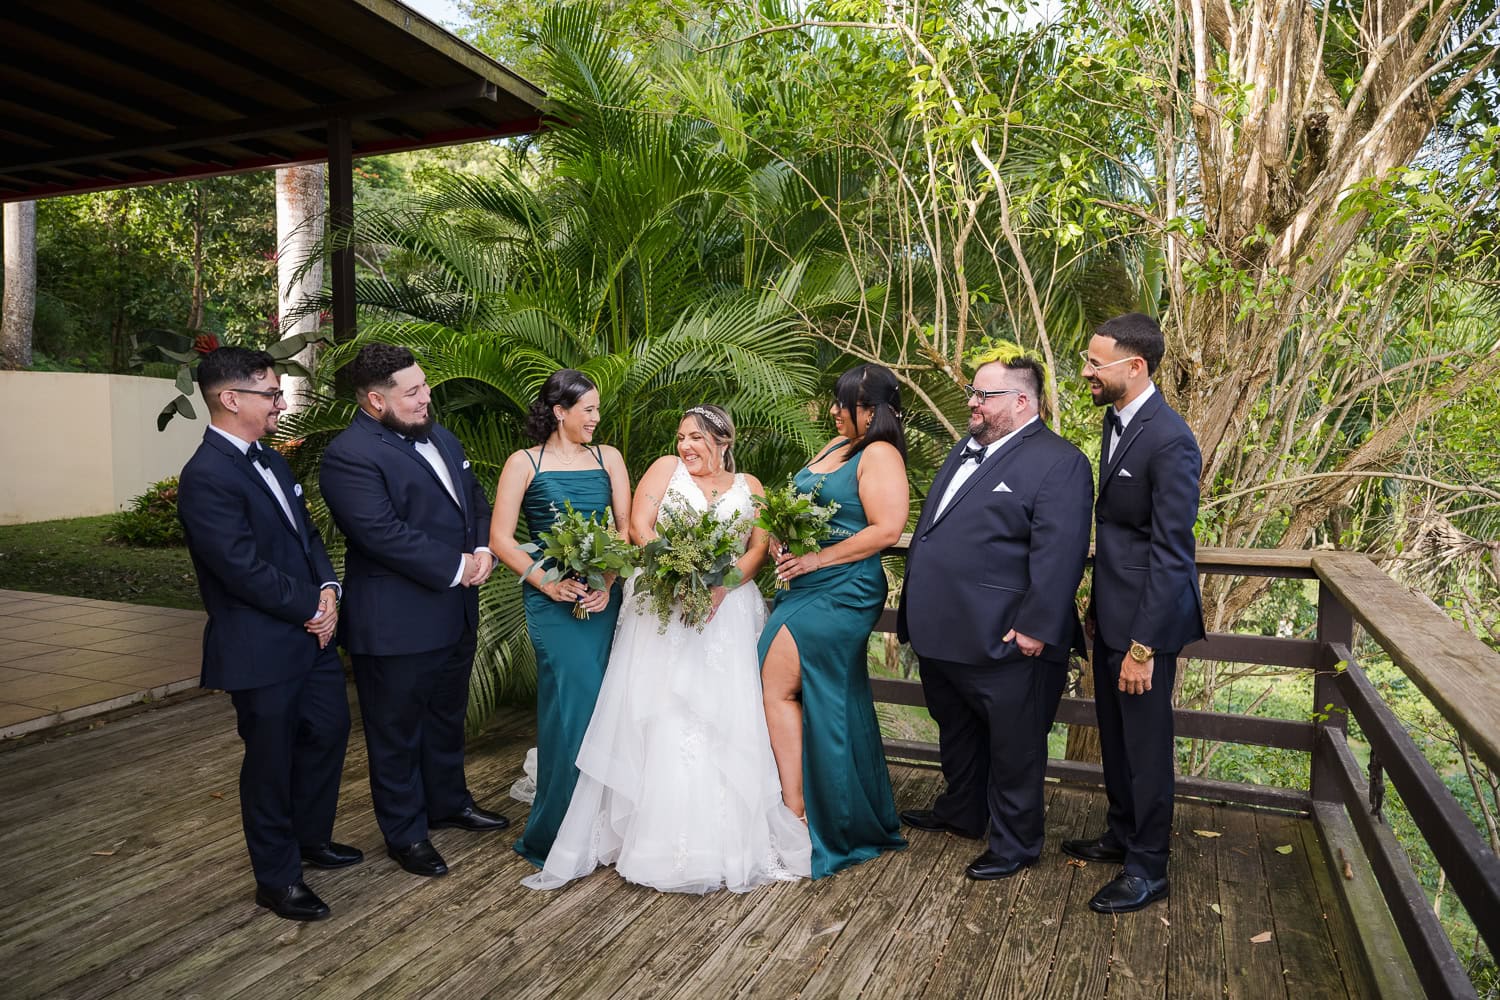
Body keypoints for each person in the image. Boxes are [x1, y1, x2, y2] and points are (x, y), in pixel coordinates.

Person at [524, 405, 811, 892]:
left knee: (724, 715)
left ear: (723, 440)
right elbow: (641, 527)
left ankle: (726, 837)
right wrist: (679, 576)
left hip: (729, 615)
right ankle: (647, 832)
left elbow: (757, 549)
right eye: (681, 437)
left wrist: (720, 587)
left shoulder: (753, 486)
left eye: (697, 438)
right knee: (661, 713)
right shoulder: (664, 470)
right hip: (663, 606)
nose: (686, 447)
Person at [896, 345, 1092, 880]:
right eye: (973, 393)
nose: (973, 403)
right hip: (946, 632)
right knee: (955, 730)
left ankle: (1016, 843)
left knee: (1014, 746)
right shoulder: (966, 447)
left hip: (1008, 638)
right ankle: (963, 811)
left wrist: (1035, 626)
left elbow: (1061, 553)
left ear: (1024, 402)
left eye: (985, 395)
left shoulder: (1061, 461)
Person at [177, 347, 356, 922]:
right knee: (270, 761)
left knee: (329, 732)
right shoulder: (205, 476)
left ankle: (311, 839)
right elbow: (239, 568)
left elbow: (307, 539)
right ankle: (276, 879)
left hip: (314, 635)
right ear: (232, 400)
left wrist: (329, 592)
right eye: (272, 394)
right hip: (260, 644)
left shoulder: (273, 462)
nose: (281, 404)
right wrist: (310, 603)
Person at [319, 343, 507, 881]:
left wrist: (483, 550)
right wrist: (456, 565)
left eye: (424, 385)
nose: (427, 397)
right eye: (414, 392)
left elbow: (473, 500)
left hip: (455, 610)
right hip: (396, 621)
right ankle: (405, 832)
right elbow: (379, 533)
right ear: (376, 401)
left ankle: (448, 802)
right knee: (394, 731)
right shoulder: (349, 455)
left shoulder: (440, 435)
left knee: (446, 717)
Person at [1063, 312, 1204, 914]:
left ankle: (1148, 867)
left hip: (1147, 626)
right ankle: (1121, 833)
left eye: (1096, 362)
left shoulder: (1171, 439)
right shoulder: (1115, 420)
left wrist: (1144, 646)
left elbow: (1172, 554)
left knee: (1146, 748)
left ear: (1135, 366)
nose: (1087, 371)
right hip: (1113, 616)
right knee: (1116, 740)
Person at [759, 364, 909, 878]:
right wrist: (780, 535)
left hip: (844, 589)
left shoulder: (880, 454)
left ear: (873, 411)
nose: (832, 411)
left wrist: (819, 559)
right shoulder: (831, 447)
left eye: (843, 403)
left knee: (779, 684)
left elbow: (888, 529)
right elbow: (800, 503)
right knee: (824, 691)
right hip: (802, 581)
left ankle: (799, 815)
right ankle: (835, 811)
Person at [489, 369, 631, 868]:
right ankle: (561, 829)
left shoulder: (608, 458)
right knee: (573, 702)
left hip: (600, 597)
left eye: (596, 409)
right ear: (560, 412)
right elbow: (501, 539)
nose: (596, 418)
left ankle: (601, 825)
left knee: (599, 703)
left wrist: (608, 584)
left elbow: (625, 531)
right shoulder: (523, 463)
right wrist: (545, 581)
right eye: (588, 409)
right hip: (551, 599)